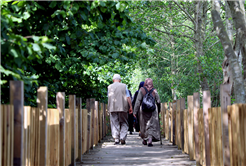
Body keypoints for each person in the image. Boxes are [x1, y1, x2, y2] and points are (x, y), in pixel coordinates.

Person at [133, 78, 161, 147]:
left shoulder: (141, 90)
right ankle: (150, 139)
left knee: (144, 125)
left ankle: (144, 139)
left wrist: (135, 112)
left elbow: (138, 101)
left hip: (143, 110)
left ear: (145, 83)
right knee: (151, 125)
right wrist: (159, 110)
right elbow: (158, 101)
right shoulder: (154, 90)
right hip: (153, 110)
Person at [108, 74, 133, 145]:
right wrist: (130, 107)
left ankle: (116, 139)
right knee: (124, 122)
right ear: (120, 80)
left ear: (113, 80)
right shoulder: (124, 86)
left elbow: (108, 98)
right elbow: (128, 97)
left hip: (112, 107)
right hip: (123, 107)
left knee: (114, 123)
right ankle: (122, 137)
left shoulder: (109, 87)